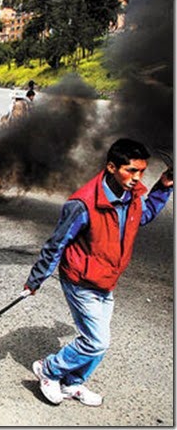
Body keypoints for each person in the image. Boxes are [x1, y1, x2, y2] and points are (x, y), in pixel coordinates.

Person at [24, 138, 173, 407]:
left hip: (106, 280)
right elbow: (56, 244)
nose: (137, 178)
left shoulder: (133, 196)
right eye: (131, 171)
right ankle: (48, 369)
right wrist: (35, 280)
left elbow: (145, 213)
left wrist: (162, 187)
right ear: (111, 167)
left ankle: (72, 383)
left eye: (141, 171)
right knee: (97, 341)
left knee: (99, 339)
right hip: (81, 280)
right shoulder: (82, 204)